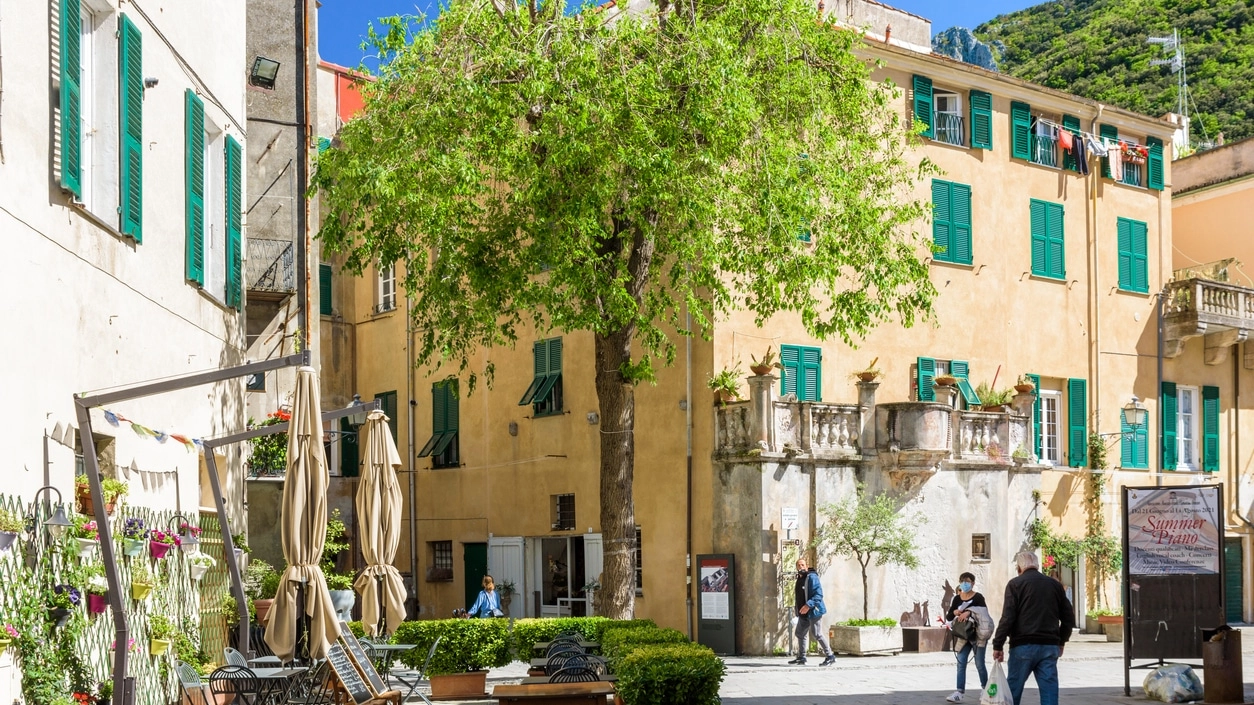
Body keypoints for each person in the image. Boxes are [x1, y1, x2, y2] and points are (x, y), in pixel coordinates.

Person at [992, 552, 1074, 705]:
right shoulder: (1055, 585)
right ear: (1037, 566)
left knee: (1013, 691)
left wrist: (998, 644)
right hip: (1049, 645)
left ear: (1019, 568)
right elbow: (1069, 618)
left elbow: (1008, 618)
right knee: (1049, 690)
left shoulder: (1015, 584)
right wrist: (1062, 641)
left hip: (1023, 645)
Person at [945, 572, 995, 703]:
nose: (965, 584)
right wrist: (955, 612)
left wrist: (969, 611)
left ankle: (985, 690)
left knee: (980, 664)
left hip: (977, 635)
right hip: (963, 635)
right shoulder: (957, 599)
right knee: (961, 663)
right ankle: (959, 692)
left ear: (973, 583)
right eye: (962, 581)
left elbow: (984, 615)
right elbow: (949, 617)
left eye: (967, 581)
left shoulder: (978, 597)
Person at [787, 558, 836, 666]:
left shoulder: (812, 577)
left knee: (817, 633)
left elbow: (818, 595)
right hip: (803, 612)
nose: (801, 567)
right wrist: (798, 610)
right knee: (800, 633)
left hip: (814, 610)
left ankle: (830, 656)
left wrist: (808, 605)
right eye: (799, 565)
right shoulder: (799, 578)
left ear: (807, 565)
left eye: (802, 565)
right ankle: (802, 657)